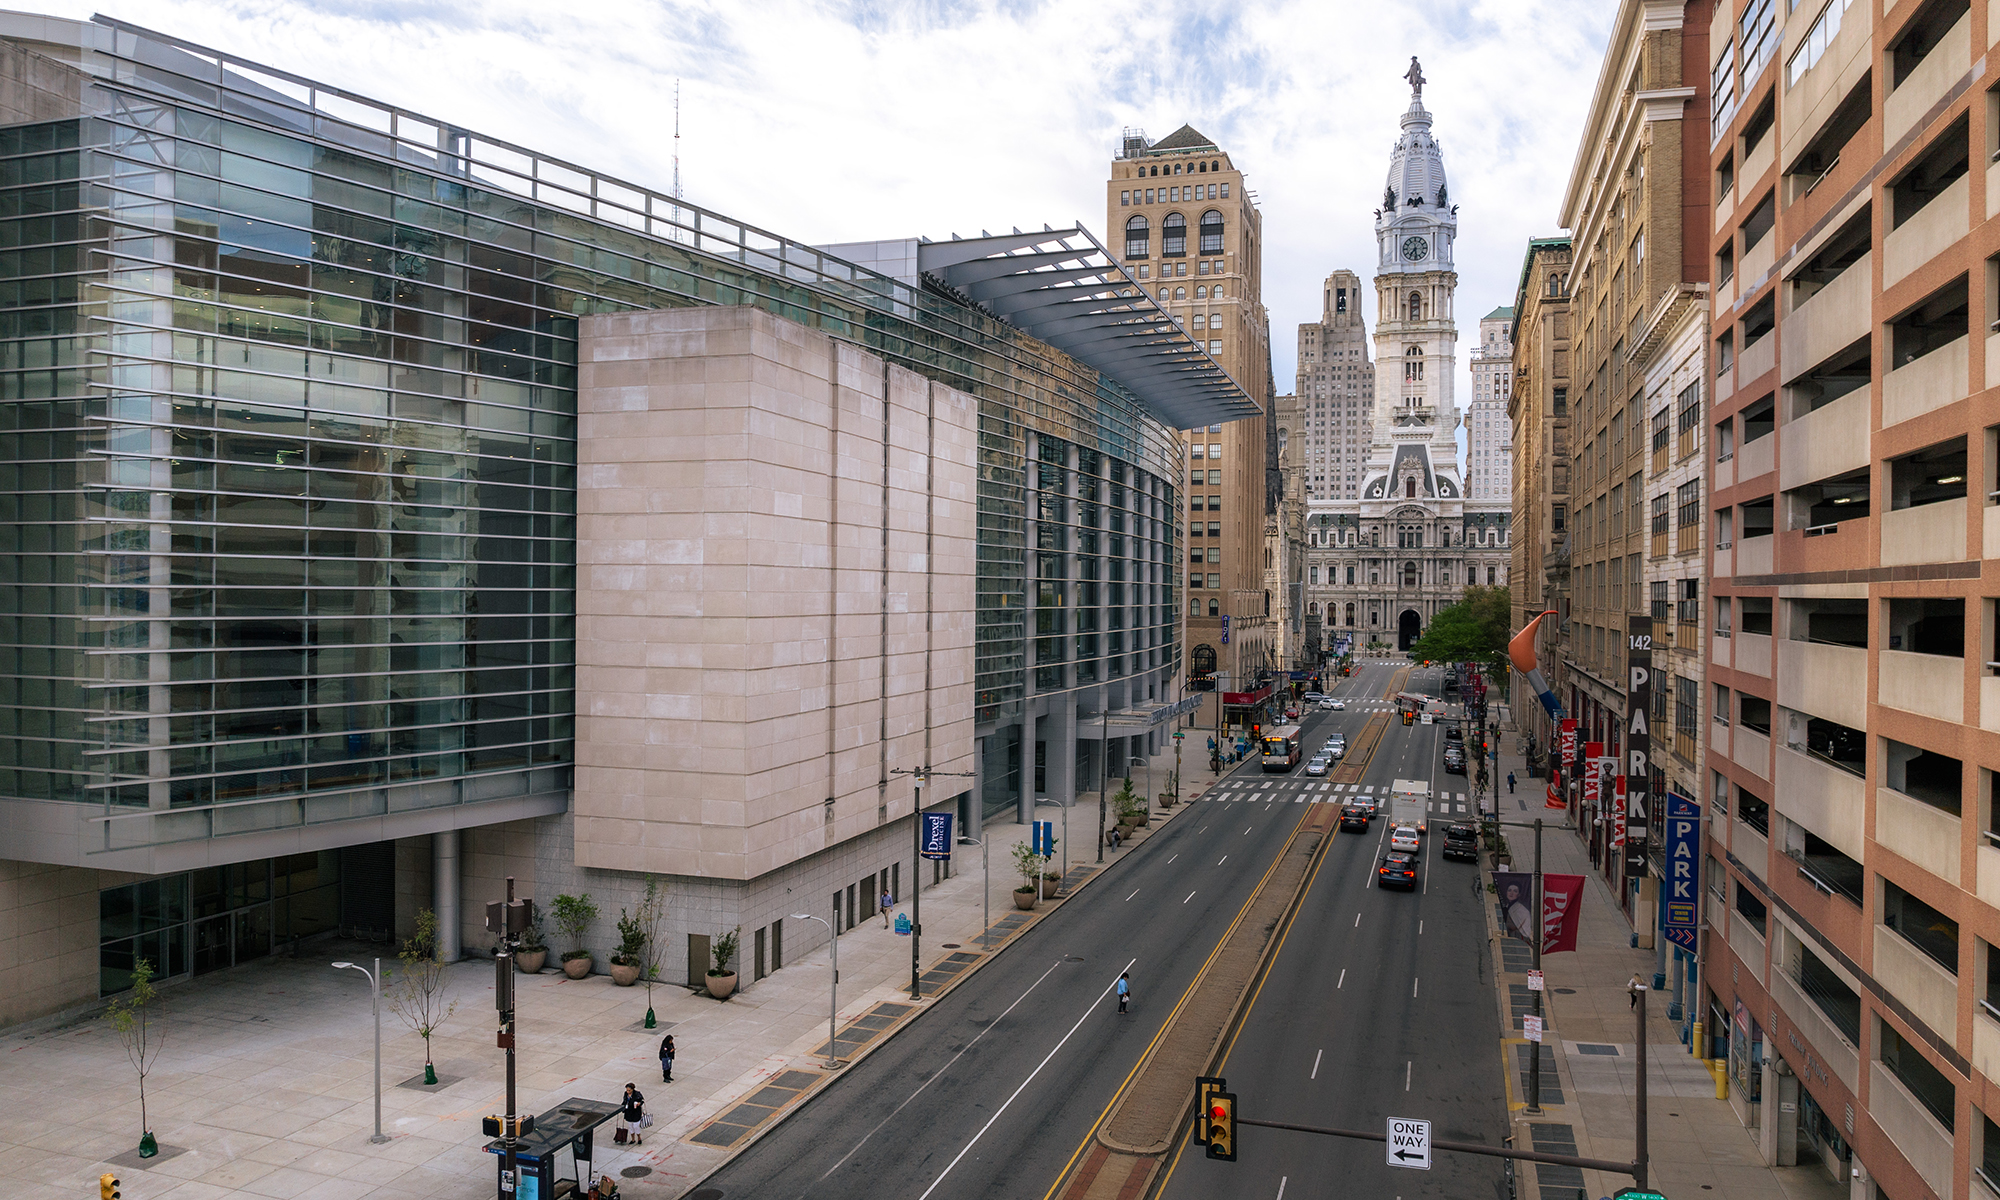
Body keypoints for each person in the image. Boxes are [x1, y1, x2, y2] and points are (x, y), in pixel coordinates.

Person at [621, 1082, 645, 1146]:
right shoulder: (626, 1094)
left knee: (636, 1126)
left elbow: (642, 1101)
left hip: (635, 1112)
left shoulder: (637, 1094)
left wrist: (638, 1104)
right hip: (628, 1112)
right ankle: (633, 1139)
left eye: (629, 1090)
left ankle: (639, 1137)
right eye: (627, 1090)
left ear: (632, 1089)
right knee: (630, 1126)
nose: (628, 1091)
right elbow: (624, 1101)